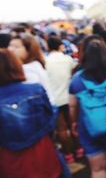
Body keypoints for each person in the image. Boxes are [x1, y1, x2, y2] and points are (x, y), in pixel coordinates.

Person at [69, 37, 106, 178]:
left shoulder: (77, 79)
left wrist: (74, 122)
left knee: (97, 169)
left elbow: (72, 106)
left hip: (89, 128)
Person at [0, 49, 63, 178]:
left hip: (9, 158)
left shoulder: (35, 89)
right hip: (42, 150)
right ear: (15, 65)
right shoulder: (35, 89)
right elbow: (50, 118)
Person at [45, 36, 83, 163]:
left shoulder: (45, 61)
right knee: (73, 124)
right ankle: (79, 149)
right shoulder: (67, 59)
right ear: (60, 46)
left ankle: (68, 154)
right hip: (69, 97)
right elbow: (76, 68)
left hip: (55, 100)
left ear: (48, 47)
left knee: (61, 129)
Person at [8, 34, 55, 104]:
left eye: (16, 47)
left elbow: (30, 97)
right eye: (10, 45)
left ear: (29, 50)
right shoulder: (34, 65)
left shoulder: (28, 69)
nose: (10, 49)